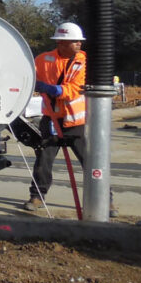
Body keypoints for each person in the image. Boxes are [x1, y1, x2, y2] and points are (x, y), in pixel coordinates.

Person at [21, 22, 117, 217]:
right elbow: (26, 75)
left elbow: (75, 88)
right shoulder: (43, 60)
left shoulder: (84, 62)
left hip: (75, 123)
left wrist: (53, 89)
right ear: (61, 43)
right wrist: (31, 82)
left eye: (80, 42)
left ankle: (106, 199)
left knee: (91, 161)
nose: (79, 45)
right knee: (43, 159)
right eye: (75, 42)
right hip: (50, 119)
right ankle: (37, 196)